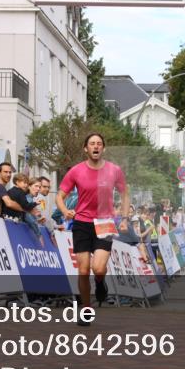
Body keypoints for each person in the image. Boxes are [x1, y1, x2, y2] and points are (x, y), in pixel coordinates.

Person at [57, 132, 130, 325]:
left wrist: (124, 218)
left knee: (98, 268)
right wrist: (65, 211)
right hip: (82, 223)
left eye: (99, 143)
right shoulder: (76, 171)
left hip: (105, 223)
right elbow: (60, 196)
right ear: (86, 149)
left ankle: (100, 282)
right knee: (83, 270)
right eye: (92, 144)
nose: (96, 146)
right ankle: (86, 310)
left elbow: (125, 195)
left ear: (103, 148)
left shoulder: (114, 170)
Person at [4, 173, 44, 243]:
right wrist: (35, 203)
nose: (26, 185)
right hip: (14, 221)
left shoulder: (10, 191)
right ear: (17, 182)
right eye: (24, 183)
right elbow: (26, 207)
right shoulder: (21, 193)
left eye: (26, 183)